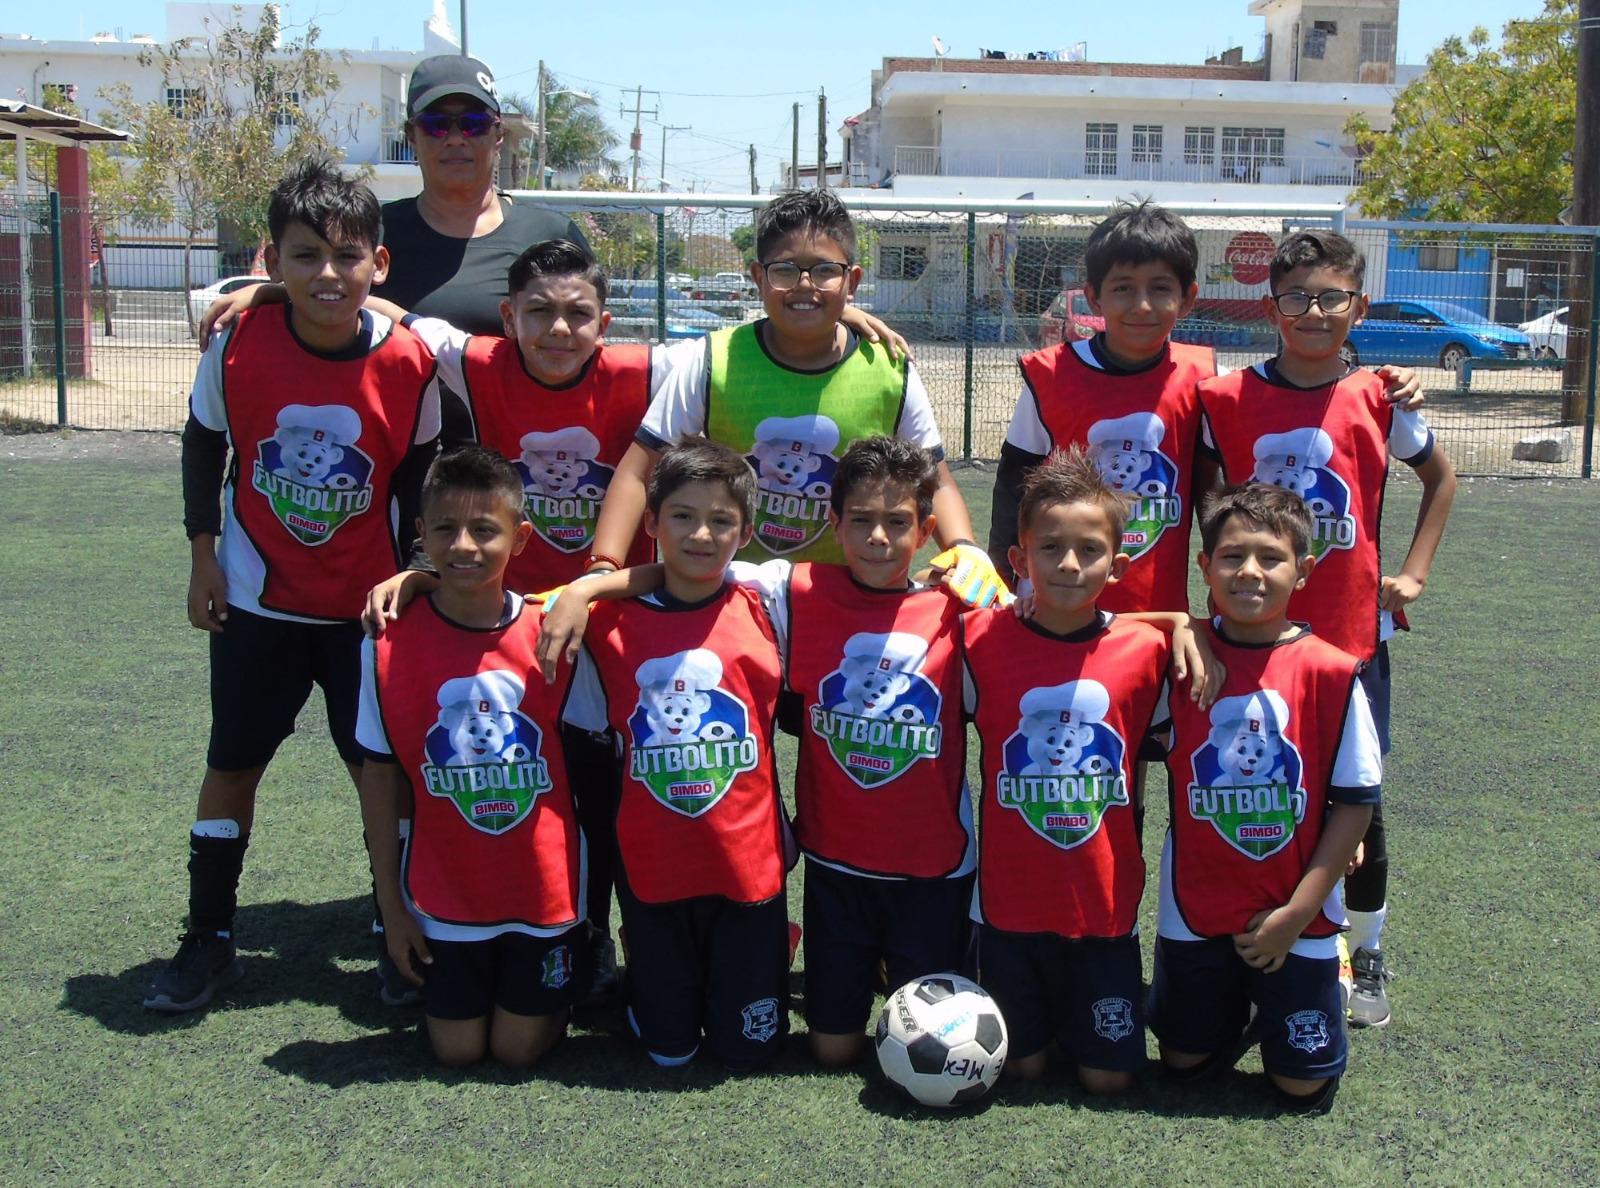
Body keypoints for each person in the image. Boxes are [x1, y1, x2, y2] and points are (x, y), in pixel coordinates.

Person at [541, 436, 978, 1067]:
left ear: (926, 530)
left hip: (933, 864)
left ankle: (774, 950)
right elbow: (689, 569)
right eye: (861, 521)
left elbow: (1055, 627)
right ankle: (682, 971)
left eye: (897, 523)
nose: (878, 538)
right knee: (822, 1051)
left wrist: (1170, 623)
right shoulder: (791, 592)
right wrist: (589, 587)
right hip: (832, 859)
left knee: (872, 1042)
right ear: (835, 524)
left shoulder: (960, 612)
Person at [146, 158, 441, 1012]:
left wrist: (413, 575)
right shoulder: (238, 344)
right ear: (272, 262)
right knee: (231, 764)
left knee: (381, 774)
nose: (328, 273)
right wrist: (203, 554)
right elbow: (205, 445)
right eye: (306, 255)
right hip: (257, 604)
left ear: (378, 266)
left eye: (349, 256)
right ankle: (209, 937)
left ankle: (401, 931)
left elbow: (420, 476)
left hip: (363, 614)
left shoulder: (411, 360)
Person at [355, 238, 657, 1005]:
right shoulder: (474, 359)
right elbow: (375, 305)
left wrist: (848, 308)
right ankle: (431, 927)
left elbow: (761, 333)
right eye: (540, 312)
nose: (559, 330)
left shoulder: (648, 370)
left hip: (609, 627)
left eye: (578, 315)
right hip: (502, 631)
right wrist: (259, 293)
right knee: (475, 778)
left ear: (606, 321)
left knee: (605, 796)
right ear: (507, 316)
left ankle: (591, 940)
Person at [1197, 229, 1457, 1029]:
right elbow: (1201, 510)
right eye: (1296, 297)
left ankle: (1366, 952)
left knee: (1359, 805)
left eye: (1331, 297)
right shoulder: (1226, 400)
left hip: (1349, 641)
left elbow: (1440, 477)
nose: (1314, 312)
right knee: (1251, 785)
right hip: (1247, 641)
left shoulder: (1380, 396)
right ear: (1270, 307)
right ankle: (1230, 943)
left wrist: (1413, 572)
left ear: (1359, 306)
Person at [988, 200, 1423, 612]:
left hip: (1160, 610)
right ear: (1095, 297)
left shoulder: (1204, 377)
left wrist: (1384, 380)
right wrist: (1006, 579)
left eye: (1160, 289)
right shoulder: (1051, 375)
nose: (1142, 305)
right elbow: (1014, 481)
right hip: (1056, 601)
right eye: (1123, 289)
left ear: (1188, 297)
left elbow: (1217, 482)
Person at [589, 188, 1008, 606]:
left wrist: (965, 547)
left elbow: (935, 477)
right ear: (758, 278)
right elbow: (638, 471)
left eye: (824, 270)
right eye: (785, 270)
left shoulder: (890, 370)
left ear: (852, 281)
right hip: (731, 604)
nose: (804, 286)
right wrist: (603, 567)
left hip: (847, 604)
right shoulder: (712, 360)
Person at [1148, 482, 1381, 1114]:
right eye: (1231, 556)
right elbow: (1097, 622)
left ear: (1304, 571)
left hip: (1295, 899)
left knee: (1302, 1087)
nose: (1250, 571)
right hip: (1197, 895)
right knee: (1183, 1065)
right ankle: (1235, 1000)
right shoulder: (1180, 662)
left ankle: (1322, 967)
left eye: (1271, 558)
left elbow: (1355, 806)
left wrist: (1296, 917)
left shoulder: (1333, 672)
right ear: (1205, 567)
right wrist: (1178, 622)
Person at [559, 441, 791, 1070]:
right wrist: (585, 593)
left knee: (749, 1053)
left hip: (750, 868)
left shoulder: (769, 600)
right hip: (655, 867)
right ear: (652, 524)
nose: (702, 534)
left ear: (745, 532)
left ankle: (763, 959)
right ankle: (646, 982)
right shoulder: (604, 625)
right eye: (683, 517)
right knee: (670, 1052)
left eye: (721, 520)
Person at [356, 446, 587, 1067]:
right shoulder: (385, 642)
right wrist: (390, 905)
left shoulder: (557, 633)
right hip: (445, 889)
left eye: (485, 530)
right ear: (420, 534)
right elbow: (378, 781)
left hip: (544, 886)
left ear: (521, 537)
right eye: (444, 529)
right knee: (456, 1052)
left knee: (515, 1051)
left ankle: (576, 966)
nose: (463, 546)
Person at [959, 447, 1173, 1092]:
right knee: (1018, 1069)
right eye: (1050, 549)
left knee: (1108, 1082)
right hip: (1007, 904)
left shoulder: (1150, 651)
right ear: (1019, 560)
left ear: (1119, 565)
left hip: (1102, 904)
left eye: (1089, 550)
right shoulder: (978, 640)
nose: (1070, 565)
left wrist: (1179, 620)